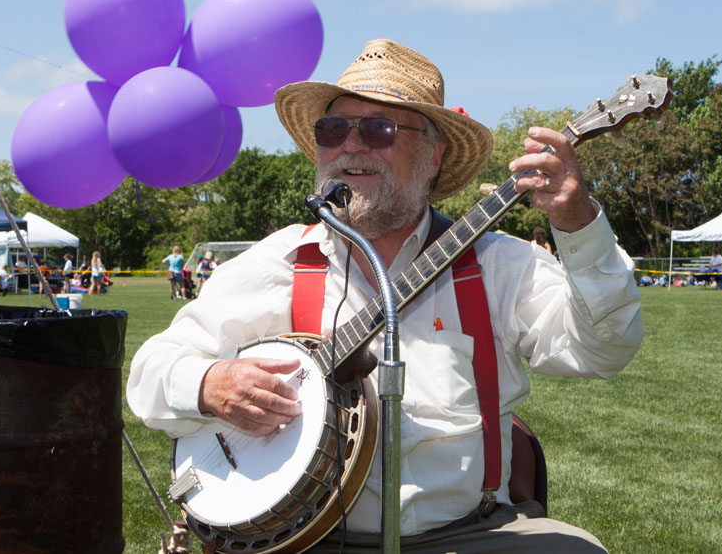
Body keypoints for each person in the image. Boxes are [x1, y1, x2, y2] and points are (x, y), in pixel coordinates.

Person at [127, 39, 643, 552]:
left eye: (379, 129)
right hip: (312, 541)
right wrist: (211, 383)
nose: (351, 145)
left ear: (433, 156)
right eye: (333, 129)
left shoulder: (497, 263)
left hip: (473, 533)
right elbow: (151, 371)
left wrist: (578, 224)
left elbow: (602, 349)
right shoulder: (280, 261)